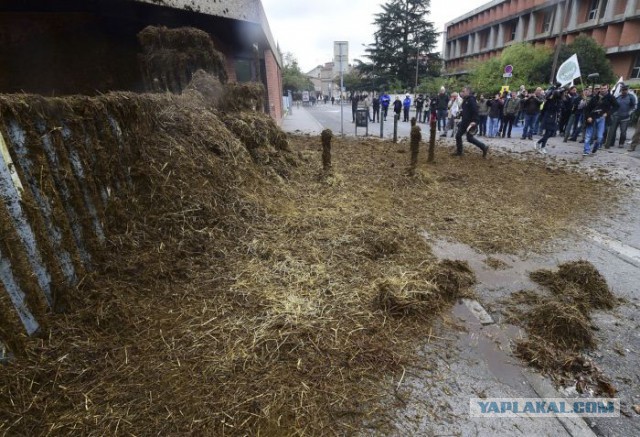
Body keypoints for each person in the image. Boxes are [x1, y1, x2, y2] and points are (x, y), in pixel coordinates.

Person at [453, 86, 489, 158]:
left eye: (463, 91)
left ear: (468, 92)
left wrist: (474, 121)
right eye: (462, 91)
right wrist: (460, 114)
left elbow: (475, 111)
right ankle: (459, 152)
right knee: (458, 136)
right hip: (464, 122)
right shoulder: (465, 100)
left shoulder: (471, 100)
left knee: (469, 138)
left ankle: (484, 147)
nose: (462, 93)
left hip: (470, 123)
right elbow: (465, 111)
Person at [584, 84, 618, 155]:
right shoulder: (594, 98)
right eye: (601, 88)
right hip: (592, 118)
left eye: (604, 88)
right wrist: (588, 117)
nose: (603, 90)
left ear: (607, 88)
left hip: (602, 118)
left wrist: (608, 113)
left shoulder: (611, 97)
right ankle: (586, 150)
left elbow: (616, 106)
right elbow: (587, 109)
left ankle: (596, 147)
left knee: (599, 137)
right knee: (588, 136)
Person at [605, 84, 637, 148]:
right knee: (613, 130)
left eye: (625, 90)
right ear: (621, 90)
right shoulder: (618, 96)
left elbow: (634, 106)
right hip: (616, 116)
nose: (624, 91)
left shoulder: (631, 97)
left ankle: (621, 143)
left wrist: (629, 112)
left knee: (623, 131)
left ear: (627, 90)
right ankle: (611, 143)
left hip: (625, 118)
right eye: (622, 90)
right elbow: (613, 105)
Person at [536, 86, 562, 154]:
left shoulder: (558, 101)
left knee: (551, 133)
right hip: (548, 116)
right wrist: (553, 88)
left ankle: (539, 142)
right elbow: (547, 96)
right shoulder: (550, 100)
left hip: (554, 117)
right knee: (548, 133)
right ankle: (542, 147)